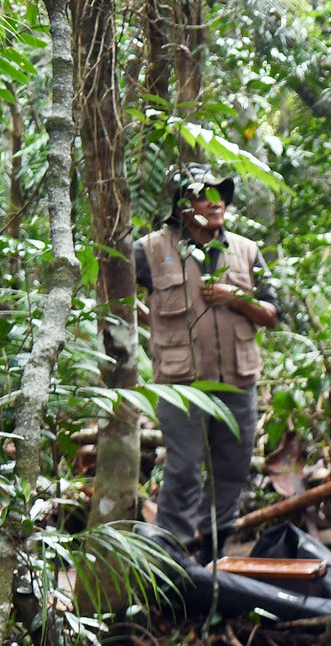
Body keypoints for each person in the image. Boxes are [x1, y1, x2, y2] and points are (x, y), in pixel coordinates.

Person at [134, 164, 280, 553]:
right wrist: (143, 317)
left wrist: (236, 297)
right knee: (183, 468)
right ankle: (169, 556)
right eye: (204, 195)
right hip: (181, 383)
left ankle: (210, 554)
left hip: (237, 379)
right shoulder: (150, 249)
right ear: (182, 205)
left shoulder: (246, 250)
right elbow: (111, 294)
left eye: (221, 194)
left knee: (231, 469)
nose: (216, 203)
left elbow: (273, 312)